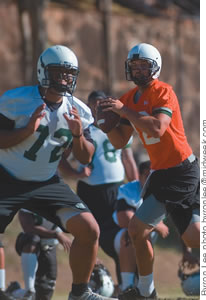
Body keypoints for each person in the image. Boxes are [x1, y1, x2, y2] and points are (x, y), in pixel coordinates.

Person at [0, 45, 118, 300]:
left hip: (46, 181)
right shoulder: (16, 100)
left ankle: (80, 293)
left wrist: (77, 134)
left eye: (69, 74)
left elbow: (85, 157)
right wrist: (25, 131)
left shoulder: (79, 111)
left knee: (90, 229)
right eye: (58, 73)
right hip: (7, 177)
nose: (64, 79)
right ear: (43, 72)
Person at [99, 43, 200, 299]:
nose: (139, 70)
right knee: (136, 230)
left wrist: (123, 111)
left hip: (182, 171)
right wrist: (107, 125)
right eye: (135, 66)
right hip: (160, 173)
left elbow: (157, 128)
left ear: (155, 68)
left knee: (195, 238)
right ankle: (146, 291)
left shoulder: (163, 91)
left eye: (144, 66)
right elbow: (120, 141)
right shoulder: (128, 98)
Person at [59, 90, 139, 295]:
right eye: (93, 106)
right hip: (91, 191)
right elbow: (61, 158)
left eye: (101, 105)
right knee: (87, 236)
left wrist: (137, 187)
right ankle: (86, 285)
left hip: (117, 190)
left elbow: (128, 159)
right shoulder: (84, 130)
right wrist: (76, 174)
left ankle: (127, 285)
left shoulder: (119, 126)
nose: (97, 110)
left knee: (123, 238)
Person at [113, 161, 169, 292]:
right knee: (129, 234)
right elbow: (124, 219)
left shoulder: (163, 189)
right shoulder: (129, 189)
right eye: (146, 173)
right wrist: (156, 224)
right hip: (118, 234)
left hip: (147, 238)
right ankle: (126, 287)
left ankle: (144, 288)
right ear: (141, 174)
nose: (149, 176)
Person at [13, 209, 72, 300]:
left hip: (50, 245)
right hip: (31, 243)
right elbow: (28, 228)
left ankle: (14, 292)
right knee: (32, 239)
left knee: (45, 292)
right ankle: (29, 290)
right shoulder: (30, 198)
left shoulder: (62, 199)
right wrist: (56, 235)